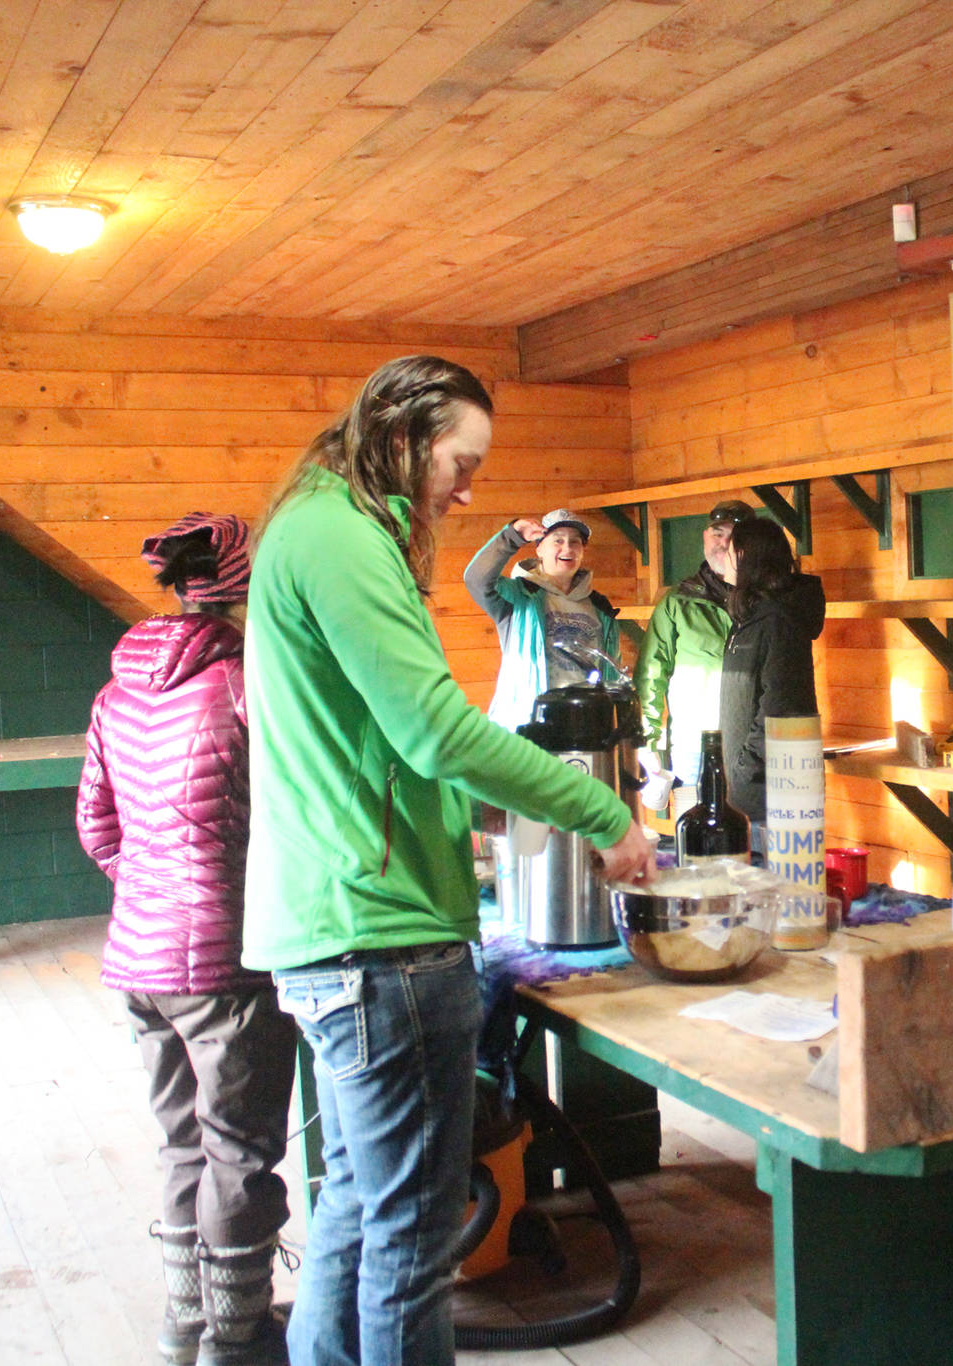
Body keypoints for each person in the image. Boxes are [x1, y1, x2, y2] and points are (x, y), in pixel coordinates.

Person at [240, 356, 656, 1366]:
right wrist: (601, 813)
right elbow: (431, 729)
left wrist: (455, 827)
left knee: (356, 1200)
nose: (466, 490)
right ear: (400, 434)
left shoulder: (321, 523)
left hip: (337, 919)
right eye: (457, 463)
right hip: (374, 937)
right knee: (410, 1239)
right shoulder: (340, 536)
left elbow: (380, 744)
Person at [76, 512, 297, 1366]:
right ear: (245, 592)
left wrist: (153, 890)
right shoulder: (246, 682)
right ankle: (238, 1338)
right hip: (223, 962)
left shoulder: (115, 690)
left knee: (180, 1140)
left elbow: (97, 828)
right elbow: (292, 816)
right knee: (240, 1148)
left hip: (138, 958)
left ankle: (184, 1324)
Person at [633, 500, 751, 817]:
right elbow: (651, 675)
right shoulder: (677, 602)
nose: (723, 543)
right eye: (717, 533)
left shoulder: (764, 601)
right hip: (692, 746)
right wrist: (650, 741)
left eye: (734, 535)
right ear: (704, 537)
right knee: (694, 835)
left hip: (753, 744)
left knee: (751, 842)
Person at [465, 507, 622, 729]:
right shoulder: (518, 597)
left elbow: (611, 674)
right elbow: (476, 579)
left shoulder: (601, 608)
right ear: (539, 549)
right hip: (529, 728)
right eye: (557, 540)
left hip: (587, 728)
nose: (567, 548)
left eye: (575, 542)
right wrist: (513, 536)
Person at [718, 516, 825, 831]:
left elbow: (780, 705)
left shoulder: (778, 620)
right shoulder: (753, 618)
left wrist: (744, 770)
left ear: (749, 558)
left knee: (774, 879)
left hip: (775, 791)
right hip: (751, 789)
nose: (723, 556)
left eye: (730, 549)